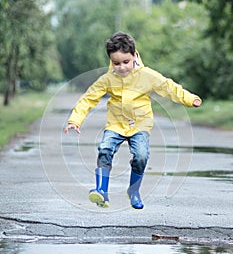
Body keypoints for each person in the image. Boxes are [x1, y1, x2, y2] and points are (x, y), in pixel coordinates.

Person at [64, 31, 202, 210]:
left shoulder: (147, 75)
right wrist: (75, 120)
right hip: (115, 124)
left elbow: (169, 87)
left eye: (125, 62)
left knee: (141, 156)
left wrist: (190, 99)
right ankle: (101, 191)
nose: (121, 67)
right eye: (116, 63)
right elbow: (89, 98)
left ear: (134, 55)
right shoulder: (107, 79)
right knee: (105, 149)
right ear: (111, 61)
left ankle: (134, 191)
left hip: (140, 125)